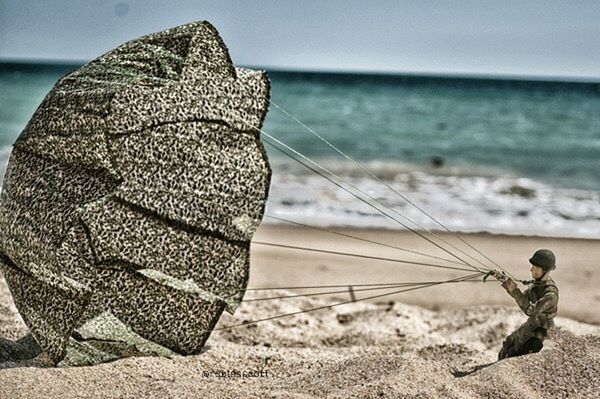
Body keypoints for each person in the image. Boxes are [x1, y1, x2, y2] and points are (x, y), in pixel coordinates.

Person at [495, 249, 559, 360]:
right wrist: (507, 284)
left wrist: (515, 291)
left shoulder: (550, 295)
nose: (531, 270)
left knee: (517, 355)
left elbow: (530, 310)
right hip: (531, 325)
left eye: (535, 267)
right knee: (508, 344)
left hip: (542, 332)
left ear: (545, 270)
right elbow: (523, 297)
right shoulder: (537, 286)